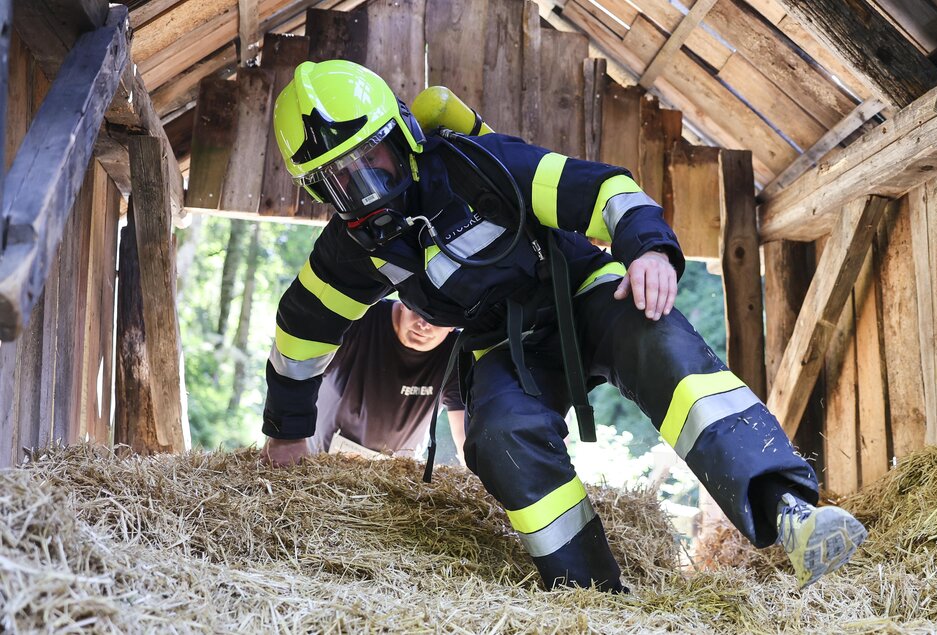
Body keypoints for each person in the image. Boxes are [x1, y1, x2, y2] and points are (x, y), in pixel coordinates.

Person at [259, 59, 866, 592]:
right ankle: (591, 597)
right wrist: (287, 430)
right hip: (501, 345)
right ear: (321, 193)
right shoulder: (353, 250)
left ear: (406, 134)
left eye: (376, 162)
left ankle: (788, 510)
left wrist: (649, 249)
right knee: (498, 438)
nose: (369, 191)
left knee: (660, 344)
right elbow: (301, 330)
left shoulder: (482, 165)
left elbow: (601, 188)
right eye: (342, 182)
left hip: (578, 291)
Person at [299, 298, 467, 464]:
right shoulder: (359, 319)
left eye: (438, 320)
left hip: (398, 478)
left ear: (453, 325)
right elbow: (303, 376)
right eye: (419, 311)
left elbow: (464, 435)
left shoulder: (457, 353)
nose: (423, 324)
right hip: (321, 464)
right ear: (403, 302)